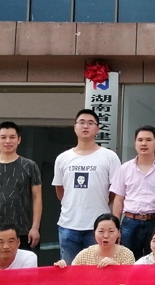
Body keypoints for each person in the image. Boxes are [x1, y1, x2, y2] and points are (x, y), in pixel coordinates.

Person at [52, 109, 121, 265]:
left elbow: (115, 191)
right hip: (68, 225)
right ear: (75, 127)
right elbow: (60, 190)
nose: (85, 126)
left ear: (97, 129)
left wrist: (102, 201)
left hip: (99, 227)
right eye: (81, 122)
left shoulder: (109, 156)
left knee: (99, 271)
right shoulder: (63, 158)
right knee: (69, 270)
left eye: (90, 123)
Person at [0, 121, 42, 257]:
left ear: (19, 140)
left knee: (21, 269)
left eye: (12, 137)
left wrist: (35, 227)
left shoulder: (30, 166)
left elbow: (37, 198)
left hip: (22, 230)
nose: (8, 141)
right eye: (3, 137)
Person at [111, 125, 155, 260]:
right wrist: (115, 227)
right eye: (140, 140)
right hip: (130, 222)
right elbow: (118, 199)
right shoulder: (125, 168)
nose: (144, 143)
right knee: (128, 260)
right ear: (135, 144)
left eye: (148, 140)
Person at [55, 214, 135, 268]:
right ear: (94, 233)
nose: (106, 236)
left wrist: (116, 267)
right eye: (101, 231)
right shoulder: (84, 255)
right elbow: (72, 277)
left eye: (111, 231)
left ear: (118, 233)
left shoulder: (127, 254)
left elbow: (132, 280)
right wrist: (63, 268)